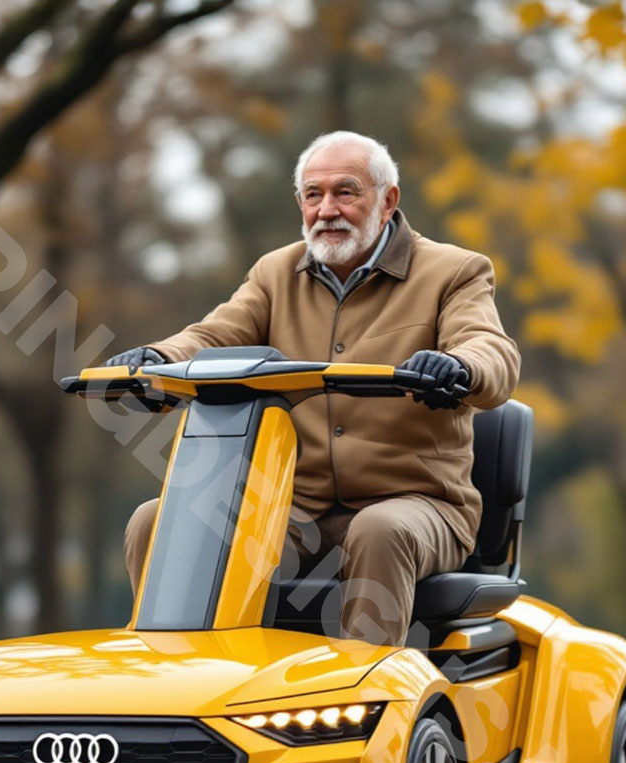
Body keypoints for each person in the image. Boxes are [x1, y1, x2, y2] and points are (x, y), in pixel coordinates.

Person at [105, 130, 520, 646]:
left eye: (346, 192)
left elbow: (491, 349)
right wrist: (158, 358)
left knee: (379, 529)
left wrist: (458, 366)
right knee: (158, 518)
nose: (327, 209)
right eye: (312, 194)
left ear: (388, 200)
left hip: (418, 504)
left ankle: (365, 699)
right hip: (291, 512)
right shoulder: (274, 274)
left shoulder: (454, 271)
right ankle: (183, 682)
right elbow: (211, 336)